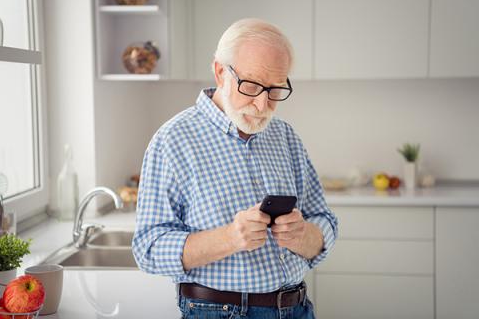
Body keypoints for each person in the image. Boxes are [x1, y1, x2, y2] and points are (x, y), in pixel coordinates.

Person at [132, 18, 338, 319]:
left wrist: (304, 236)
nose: (262, 105)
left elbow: (325, 222)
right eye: (252, 86)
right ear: (220, 72)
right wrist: (229, 238)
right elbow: (148, 249)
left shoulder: (286, 137)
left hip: (297, 308)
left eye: (276, 90)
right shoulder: (172, 140)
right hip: (221, 312)